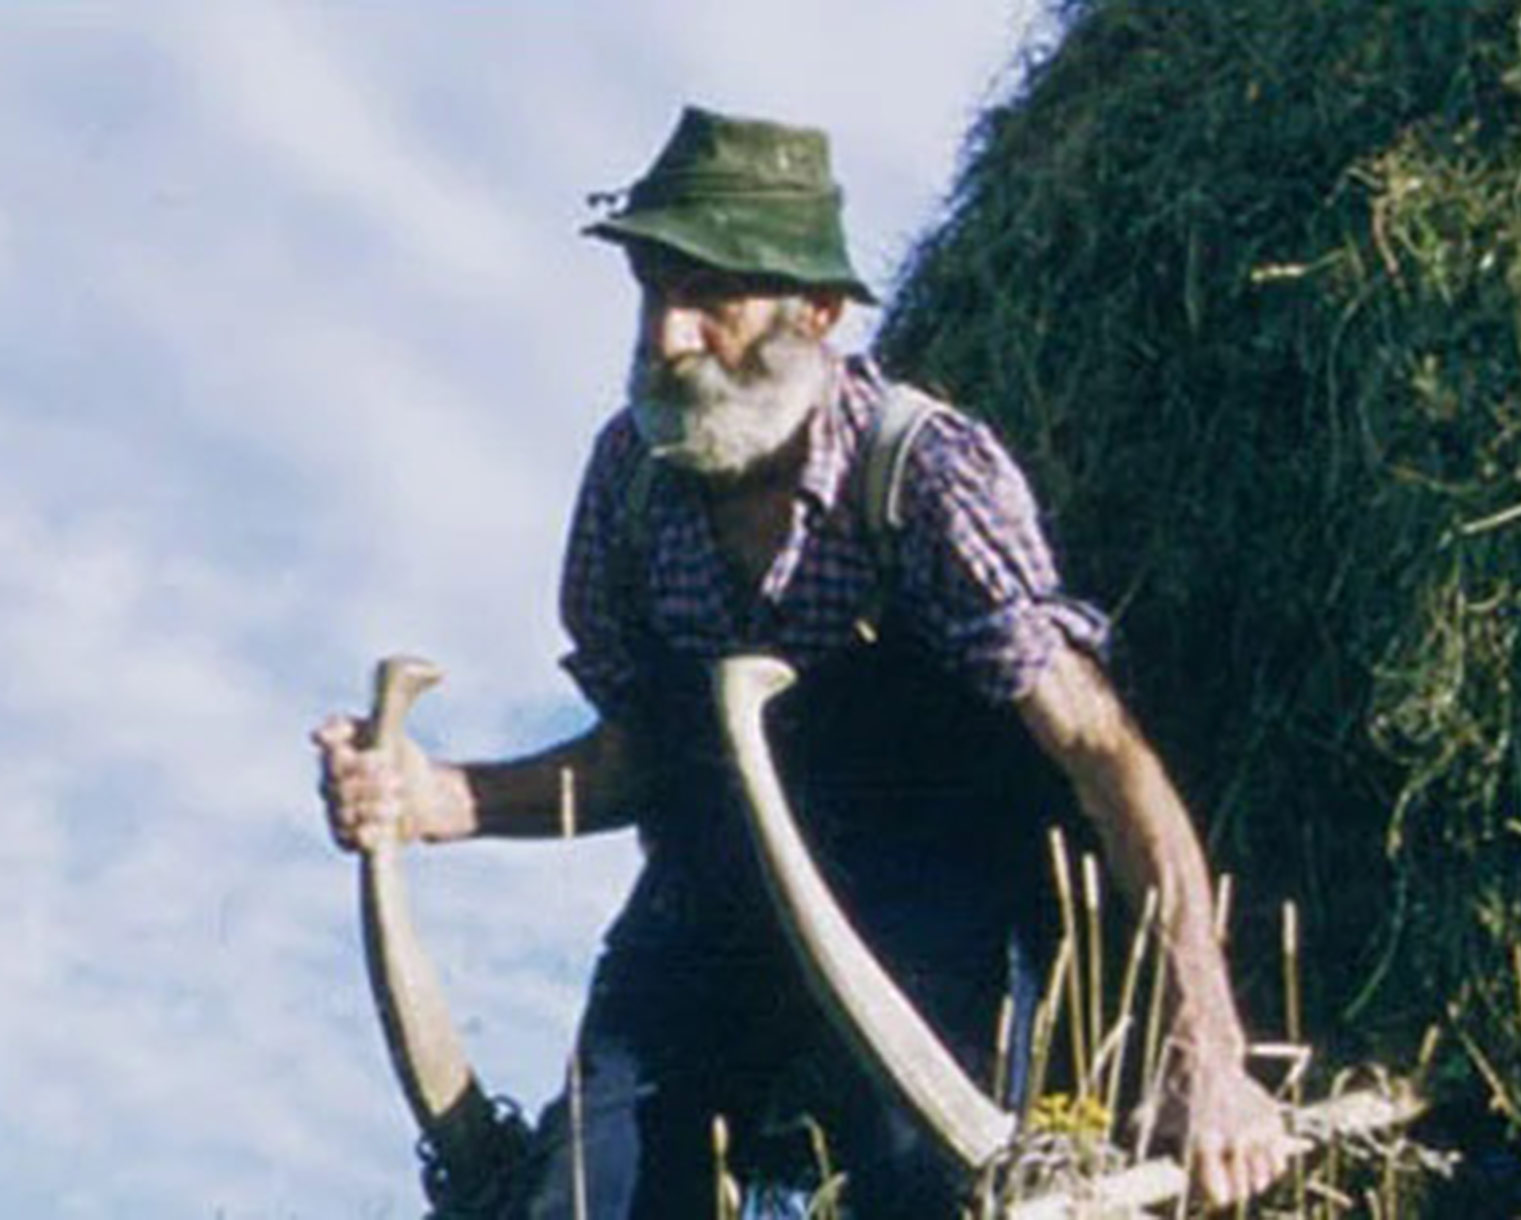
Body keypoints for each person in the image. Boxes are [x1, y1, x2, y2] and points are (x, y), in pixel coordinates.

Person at [315, 106, 1290, 1217]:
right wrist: (444, 798)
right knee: (592, 1193)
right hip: (710, 897)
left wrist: (1207, 1047)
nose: (665, 337)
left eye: (708, 300)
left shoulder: (923, 479)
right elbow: (637, 755)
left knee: (918, 1182)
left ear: (816, 311)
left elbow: (1103, 756)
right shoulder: (629, 485)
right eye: (652, 291)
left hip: (927, 898)